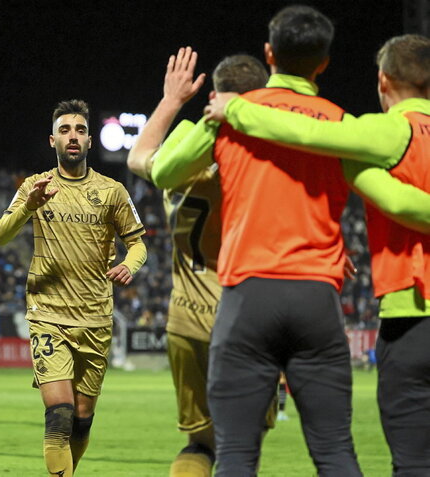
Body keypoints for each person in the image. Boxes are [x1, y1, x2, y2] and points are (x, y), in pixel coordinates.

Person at [148, 6, 366, 475]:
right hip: (316, 295)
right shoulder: (343, 125)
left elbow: (160, 168)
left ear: (270, 54)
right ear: (325, 63)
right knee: (334, 451)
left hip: (241, 298)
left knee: (230, 454)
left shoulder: (228, 117)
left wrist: (202, 113)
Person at [204, 33, 430, 477]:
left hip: (413, 313)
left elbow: (308, 131)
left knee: (415, 463)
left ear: (383, 80)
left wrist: (237, 107)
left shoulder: (383, 130)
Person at [126, 48, 269, 477]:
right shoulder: (260, 166)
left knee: (198, 444)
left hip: (186, 321)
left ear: (214, 96)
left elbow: (137, 157)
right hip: (246, 320)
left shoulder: (180, 166)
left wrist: (171, 100)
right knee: (242, 446)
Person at [0, 99, 147, 477]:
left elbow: (139, 243)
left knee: (81, 419)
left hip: (96, 318)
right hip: (48, 315)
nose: (72, 136)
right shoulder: (35, 186)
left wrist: (129, 264)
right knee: (59, 414)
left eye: (79, 130)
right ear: (52, 140)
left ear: (90, 141)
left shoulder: (112, 191)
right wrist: (28, 207)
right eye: (64, 130)